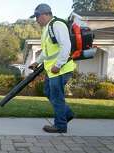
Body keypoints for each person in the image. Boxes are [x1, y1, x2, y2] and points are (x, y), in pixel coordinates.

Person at [29, 3, 76, 133]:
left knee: (56, 97)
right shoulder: (47, 28)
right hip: (53, 70)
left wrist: (58, 64)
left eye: (37, 16)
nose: (36, 20)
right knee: (48, 92)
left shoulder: (57, 25)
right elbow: (46, 51)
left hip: (60, 69)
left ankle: (60, 125)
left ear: (44, 15)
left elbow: (66, 45)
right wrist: (37, 62)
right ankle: (67, 114)